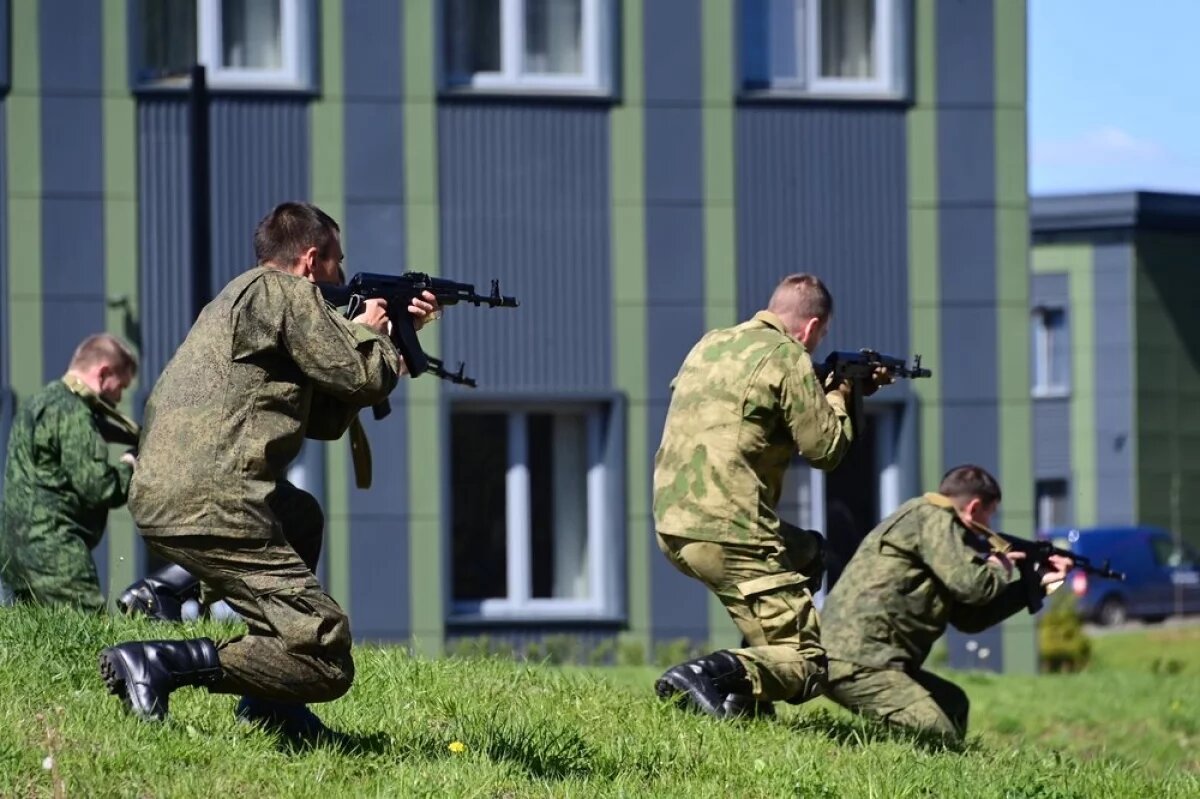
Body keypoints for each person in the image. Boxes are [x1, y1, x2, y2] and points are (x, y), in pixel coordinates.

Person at [97, 201, 438, 743]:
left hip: (173, 490)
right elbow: (361, 376)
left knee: (299, 516)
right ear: (310, 260)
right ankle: (162, 661)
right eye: (337, 264)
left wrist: (383, 335)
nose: (342, 277)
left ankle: (270, 704)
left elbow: (324, 417)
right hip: (213, 497)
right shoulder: (285, 294)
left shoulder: (238, 296)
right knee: (324, 651)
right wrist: (377, 332)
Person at [651, 273, 890, 718]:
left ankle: (748, 704)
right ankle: (707, 676)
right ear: (812, 327)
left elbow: (741, 409)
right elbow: (826, 451)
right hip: (731, 530)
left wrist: (820, 389)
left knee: (808, 552)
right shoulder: (788, 356)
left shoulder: (711, 344)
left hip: (674, 522)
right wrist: (841, 395)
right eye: (818, 337)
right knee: (808, 664)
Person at [820, 464, 1073, 742]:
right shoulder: (933, 517)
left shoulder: (934, 533)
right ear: (975, 507)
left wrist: (1035, 585)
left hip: (867, 661)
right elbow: (973, 586)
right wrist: (998, 566)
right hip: (858, 661)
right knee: (937, 734)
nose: (989, 528)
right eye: (990, 516)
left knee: (951, 704)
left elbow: (970, 618)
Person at [0, 334, 139, 612]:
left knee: (37, 645)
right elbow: (99, 487)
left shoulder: (38, 402)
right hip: (55, 552)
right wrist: (129, 464)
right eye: (120, 386)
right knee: (89, 642)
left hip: (12, 551)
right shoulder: (74, 412)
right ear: (103, 373)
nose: (120, 396)